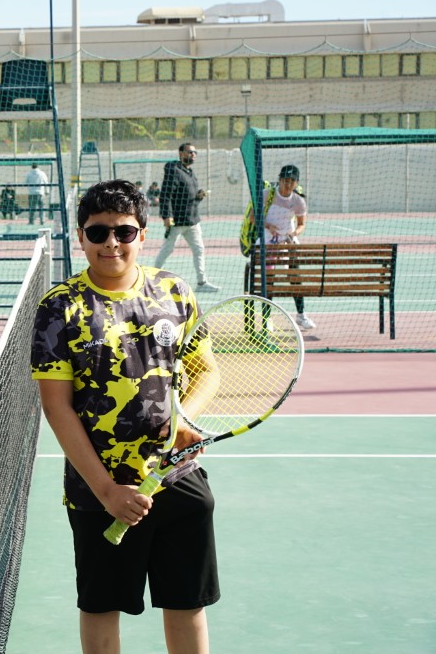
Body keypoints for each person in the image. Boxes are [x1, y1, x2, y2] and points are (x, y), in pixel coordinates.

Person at [32, 179, 219, 654]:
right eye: (98, 232)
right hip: (100, 491)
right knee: (101, 606)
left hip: (176, 479)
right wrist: (108, 491)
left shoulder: (175, 292)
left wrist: (185, 420)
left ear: (143, 233)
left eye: (124, 231)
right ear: (81, 237)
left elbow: (207, 371)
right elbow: (56, 406)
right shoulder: (59, 308)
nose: (111, 243)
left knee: (187, 603)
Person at [241, 164, 316, 331]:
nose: (287, 184)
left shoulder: (298, 201)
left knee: (295, 276)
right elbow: (253, 217)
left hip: (287, 242)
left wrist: (293, 234)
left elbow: (301, 224)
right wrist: (268, 226)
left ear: (296, 183)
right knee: (269, 279)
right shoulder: (266, 194)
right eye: (285, 180)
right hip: (267, 242)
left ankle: (301, 315)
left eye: (291, 181)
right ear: (279, 180)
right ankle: (267, 318)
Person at [153, 143, 220, 293]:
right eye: (190, 152)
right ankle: (152, 278)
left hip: (192, 220)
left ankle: (202, 283)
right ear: (181, 153)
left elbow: (189, 197)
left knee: (199, 249)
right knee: (167, 249)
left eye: (195, 152)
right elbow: (166, 195)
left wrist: (199, 196)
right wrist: (167, 216)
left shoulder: (190, 173)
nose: (193, 155)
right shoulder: (173, 170)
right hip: (177, 221)